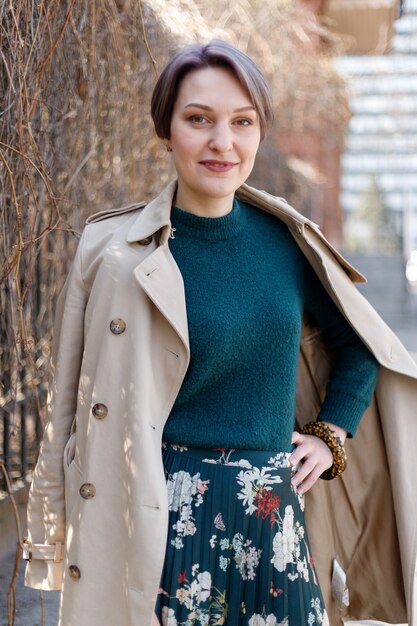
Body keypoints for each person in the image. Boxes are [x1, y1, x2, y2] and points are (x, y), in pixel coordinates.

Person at [23, 40, 417, 626]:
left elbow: (361, 347)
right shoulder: (113, 252)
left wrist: (329, 435)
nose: (221, 143)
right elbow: (71, 407)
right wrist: (51, 539)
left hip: (274, 522)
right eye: (198, 119)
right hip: (161, 522)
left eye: (242, 122)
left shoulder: (288, 242)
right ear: (167, 131)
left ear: (260, 133)